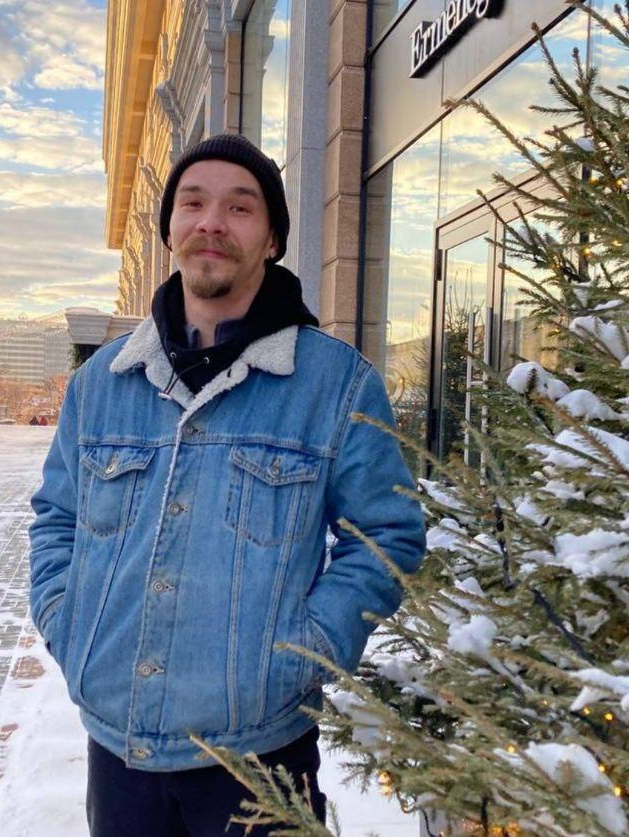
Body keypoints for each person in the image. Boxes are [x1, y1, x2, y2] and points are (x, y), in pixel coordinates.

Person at [28, 133, 426, 835]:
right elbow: (58, 519)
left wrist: (304, 652)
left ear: (272, 239)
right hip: (118, 748)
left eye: (239, 207)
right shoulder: (101, 384)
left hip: (260, 757)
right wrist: (68, 622)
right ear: (170, 229)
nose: (211, 222)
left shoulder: (334, 384)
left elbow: (385, 537)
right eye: (193, 203)